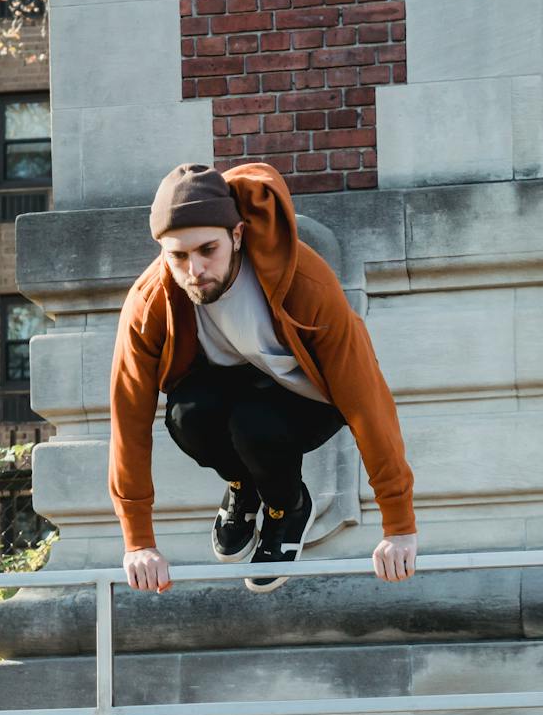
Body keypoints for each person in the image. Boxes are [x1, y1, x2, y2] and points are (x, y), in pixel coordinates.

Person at [108, 161, 417, 594]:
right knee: (186, 415)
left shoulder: (303, 280)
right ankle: (242, 487)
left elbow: (367, 397)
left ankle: (286, 509)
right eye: (178, 255)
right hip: (227, 389)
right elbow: (128, 417)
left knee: (254, 424)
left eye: (207, 250)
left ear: (236, 236)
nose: (194, 270)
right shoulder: (150, 301)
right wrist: (138, 540)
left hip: (306, 399)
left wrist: (399, 524)